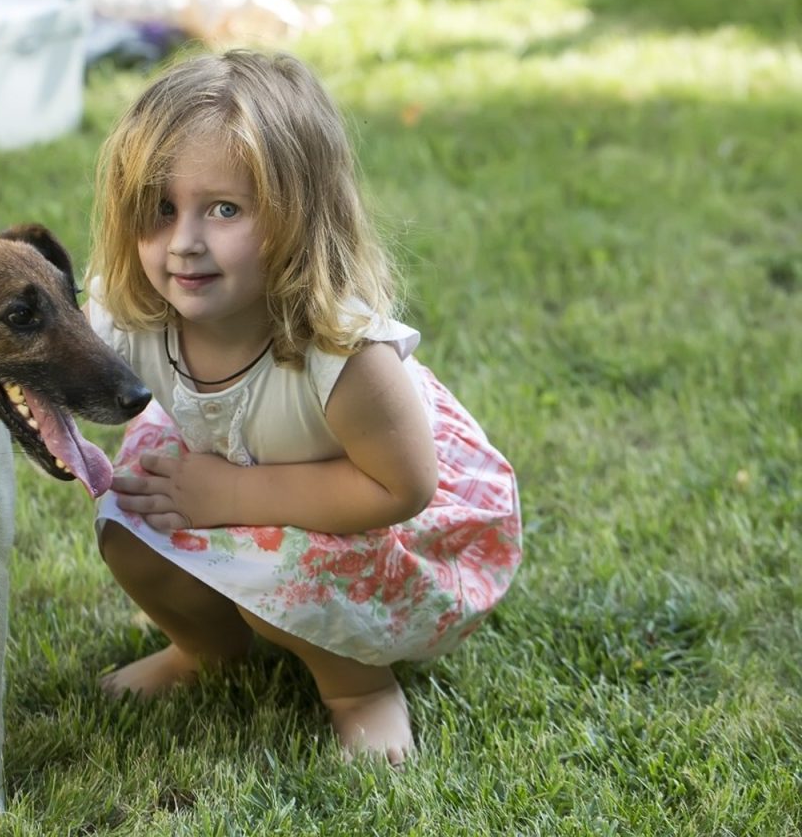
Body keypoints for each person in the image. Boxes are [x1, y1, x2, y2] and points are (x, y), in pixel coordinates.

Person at [82, 48, 522, 765]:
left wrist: (228, 492)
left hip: (376, 513)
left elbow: (403, 488)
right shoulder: (135, 313)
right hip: (241, 471)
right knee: (126, 519)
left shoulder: (344, 355)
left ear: (298, 216)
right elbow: (55, 380)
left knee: (285, 569)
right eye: (160, 209)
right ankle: (207, 651)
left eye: (224, 209)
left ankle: (359, 689)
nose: (184, 243)